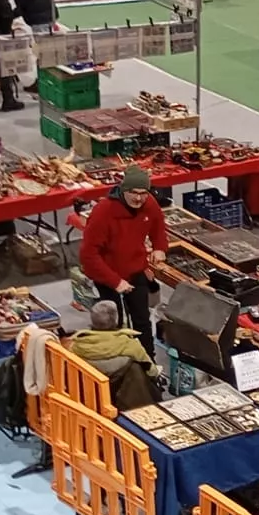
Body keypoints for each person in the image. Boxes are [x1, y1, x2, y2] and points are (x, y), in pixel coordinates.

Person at [78, 166, 167, 358]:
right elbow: (88, 255)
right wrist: (115, 282)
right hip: (107, 274)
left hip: (135, 271)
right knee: (112, 323)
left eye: (143, 193)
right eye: (133, 193)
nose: (138, 198)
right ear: (123, 190)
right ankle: (114, 360)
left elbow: (158, 225)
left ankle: (147, 361)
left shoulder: (149, 204)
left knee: (142, 319)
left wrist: (160, 247)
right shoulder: (103, 212)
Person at [68, 299, 160, 409]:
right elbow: (151, 370)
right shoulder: (129, 344)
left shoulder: (78, 345)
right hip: (125, 398)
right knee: (138, 368)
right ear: (115, 319)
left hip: (91, 398)